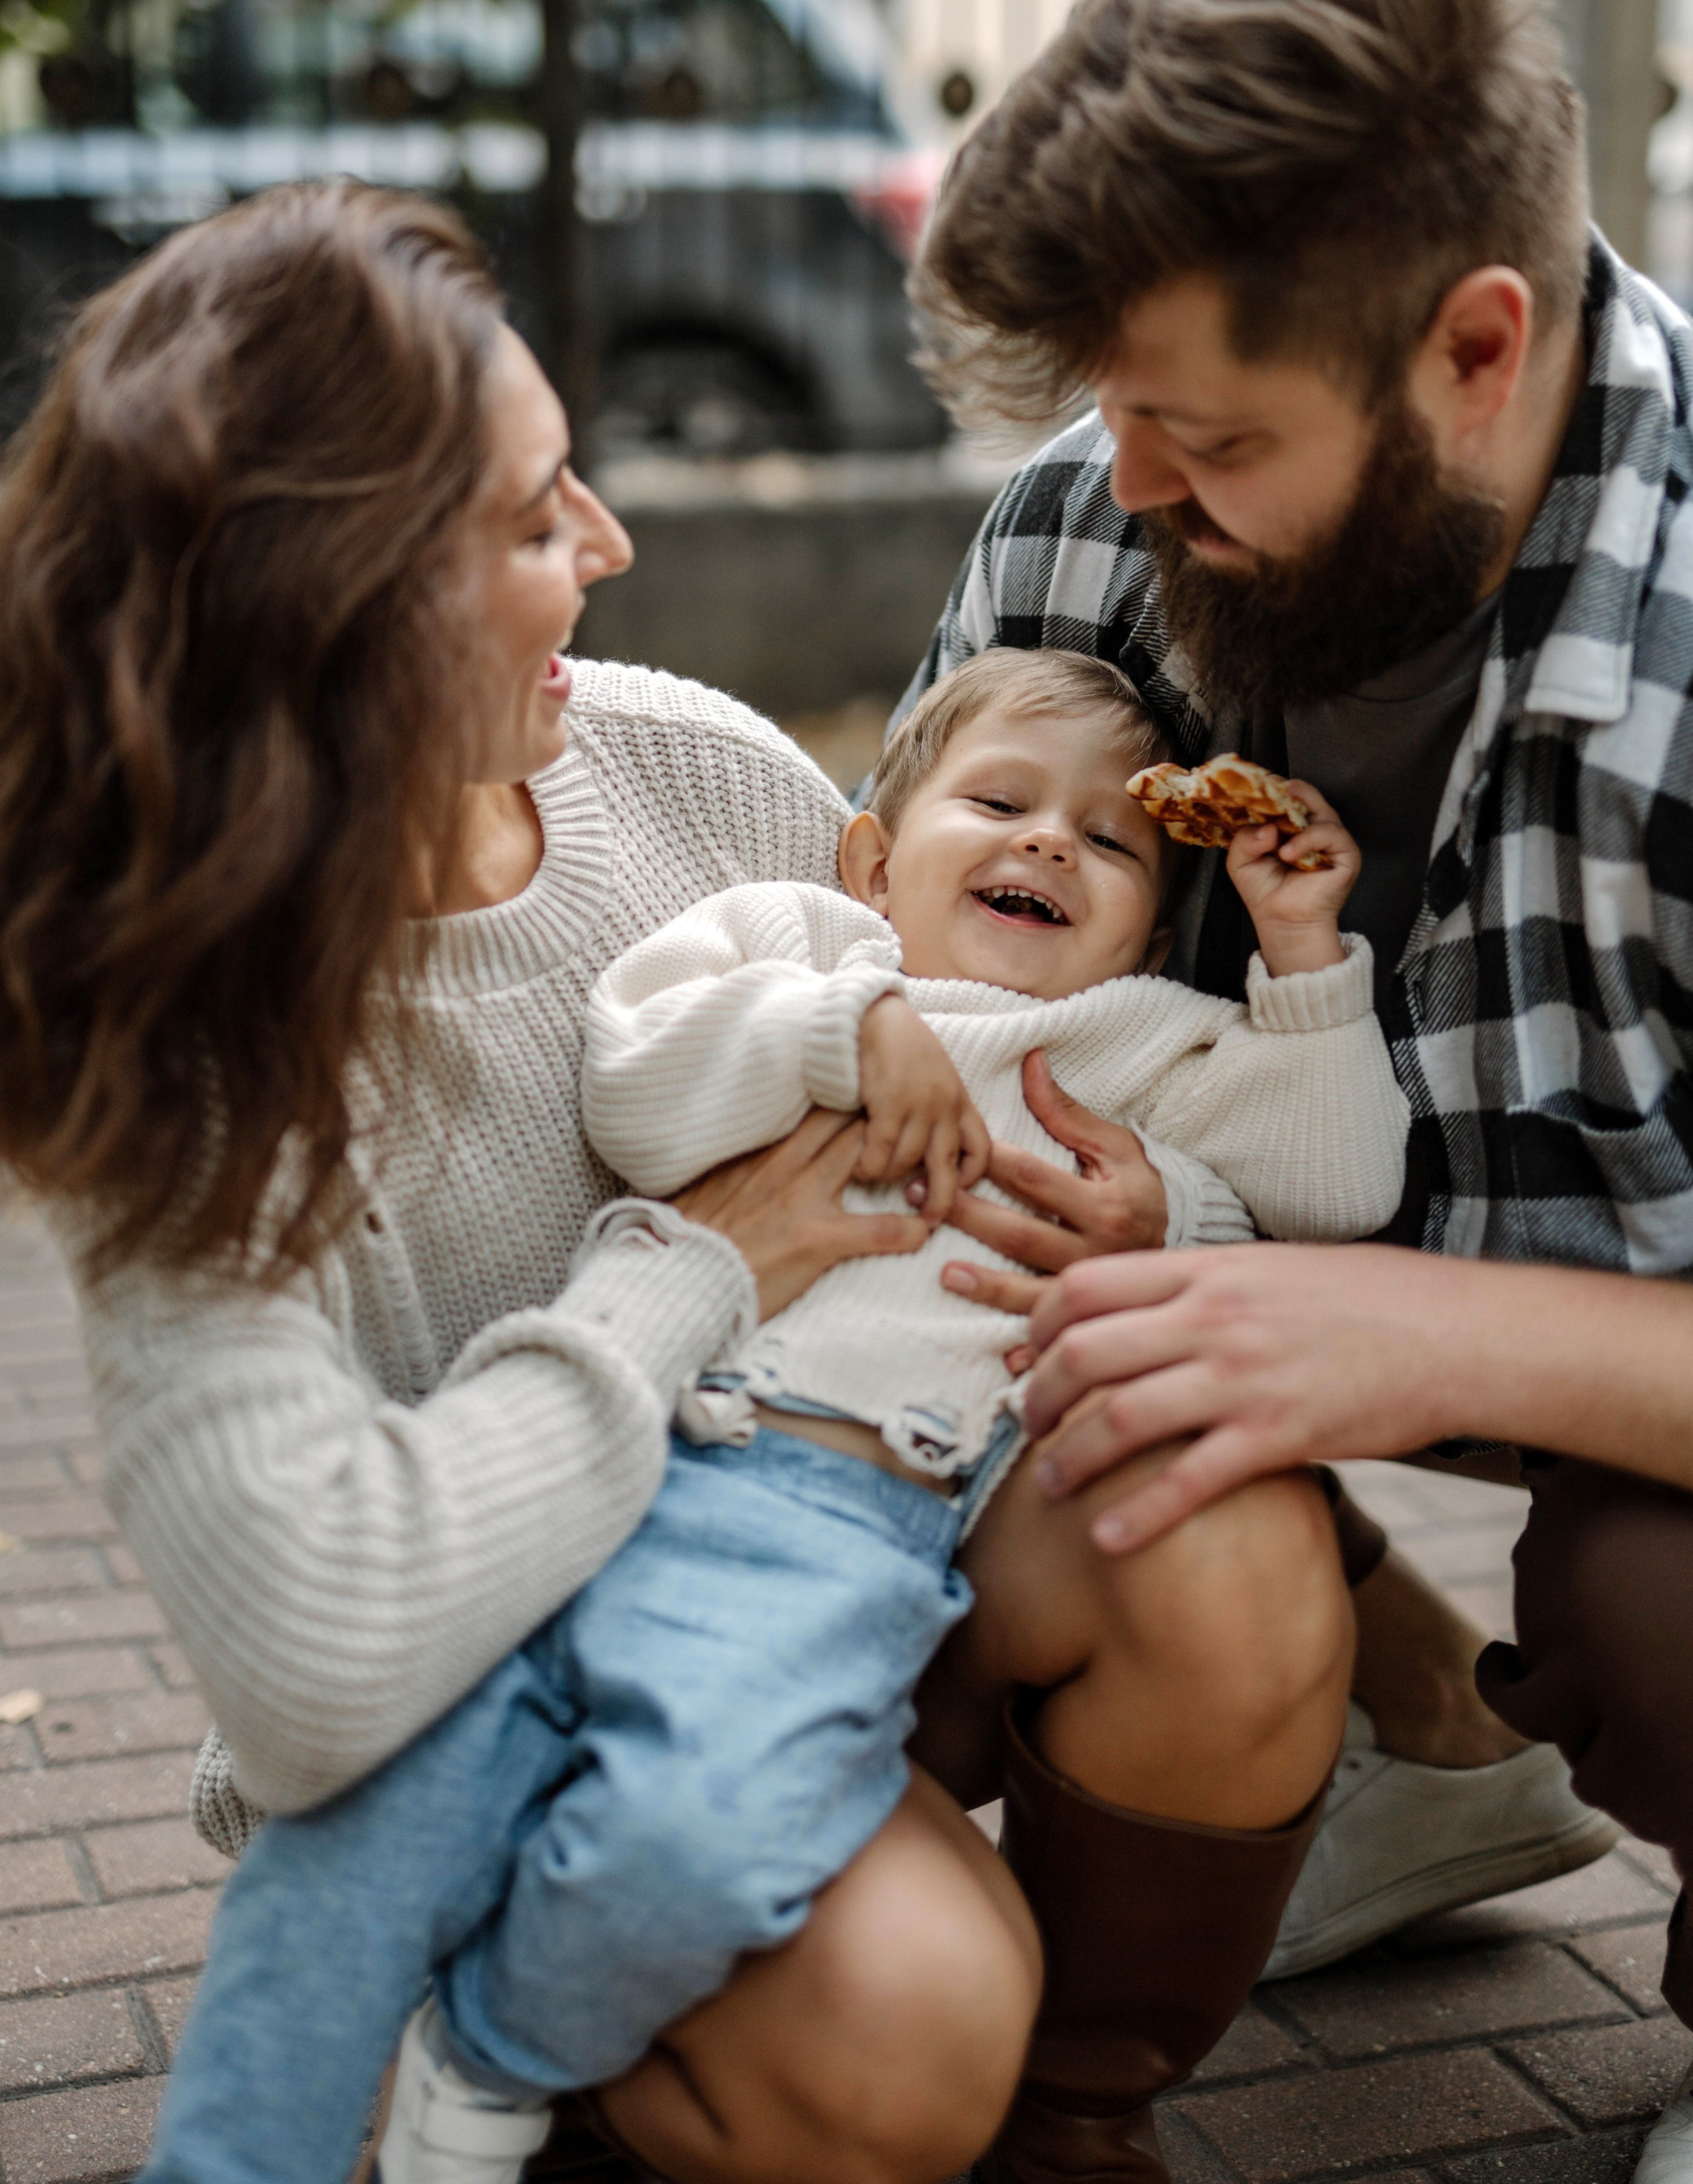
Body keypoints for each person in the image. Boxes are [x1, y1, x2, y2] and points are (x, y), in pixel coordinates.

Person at [0, 183, 1042, 2184]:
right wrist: (687, 1269)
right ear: (342, 595)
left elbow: (983, 1088)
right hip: (466, 1707)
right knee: (911, 2020)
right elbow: (313, 1661)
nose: (613, 547)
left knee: (1208, 1530)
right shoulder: (182, 1051)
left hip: (796, 1569)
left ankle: (1065, 2120)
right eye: (537, 513)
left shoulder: (692, 772)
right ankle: (484, 2036)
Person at [136, 643, 1401, 2184]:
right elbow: (639, 1091)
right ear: (870, 853)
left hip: (825, 1539)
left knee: (691, 1826)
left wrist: (1291, 975)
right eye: (996, 800)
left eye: (1111, 842)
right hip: (586, 1469)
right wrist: (835, 1030)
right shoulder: (795, 944)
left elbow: (1336, 1187)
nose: (1047, 842)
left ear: (1153, 916)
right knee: (357, 1851)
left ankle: (499, 2054)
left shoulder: (1136, 1044)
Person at [887, 0, 1693, 2173]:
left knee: (1660, 1609)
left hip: (1611, 1361)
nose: (1130, 493)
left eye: (1207, 437)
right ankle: (1405, 1739)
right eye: (1114, 416)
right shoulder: (1094, 513)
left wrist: (1410, 1334)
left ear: (1471, 348)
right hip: (1260, 1262)